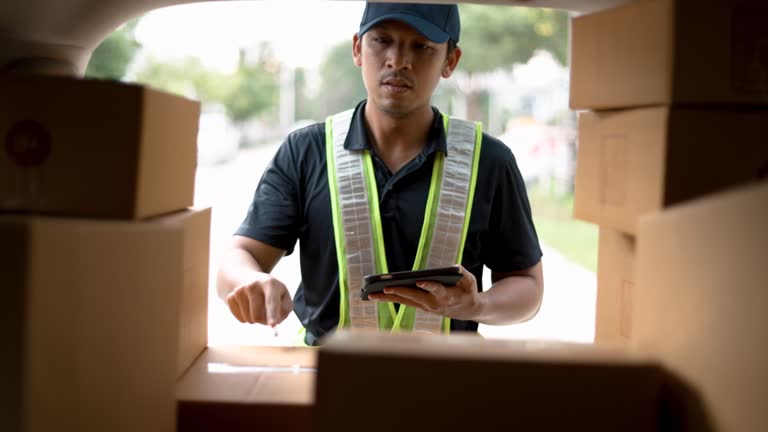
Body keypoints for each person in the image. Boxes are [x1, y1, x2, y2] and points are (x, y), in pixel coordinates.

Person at [216, 2, 544, 346]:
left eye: (422, 46)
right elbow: (239, 258)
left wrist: (477, 305)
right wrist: (249, 280)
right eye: (382, 40)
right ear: (358, 48)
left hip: (447, 385)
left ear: (450, 60)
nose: (398, 61)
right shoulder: (306, 151)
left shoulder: (490, 162)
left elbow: (529, 287)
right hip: (327, 380)